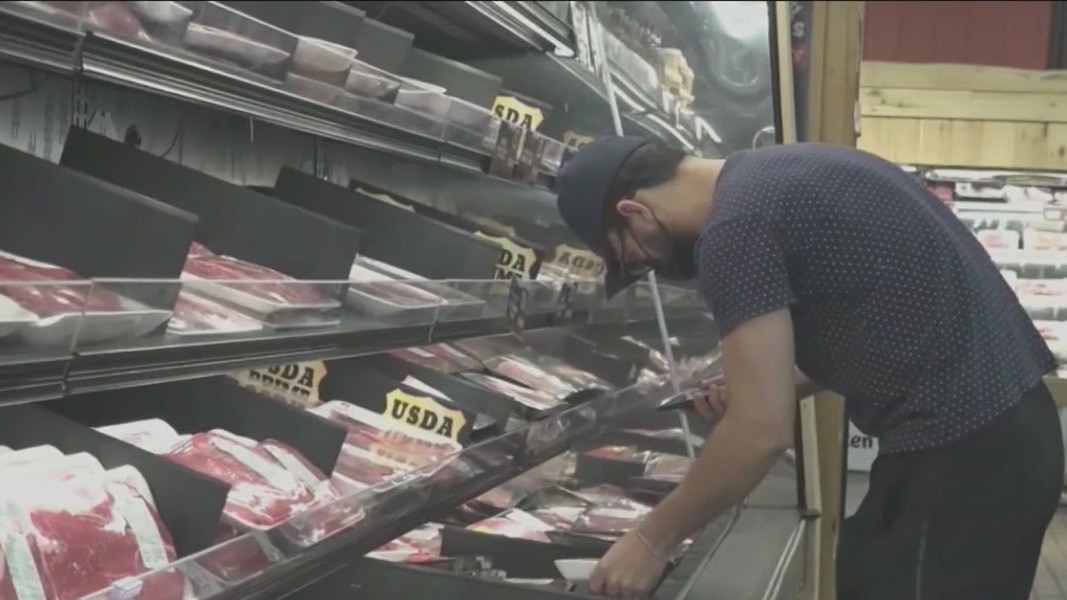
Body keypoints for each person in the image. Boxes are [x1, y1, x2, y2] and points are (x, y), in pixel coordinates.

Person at [554, 136, 1064, 599]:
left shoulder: (734, 228)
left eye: (631, 258)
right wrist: (773, 383)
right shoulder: (787, 169)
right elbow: (881, 313)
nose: (649, 266)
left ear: (634, 212)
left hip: (961, 460)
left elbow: (761, 431)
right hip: (1008, 437)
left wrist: (651, 539)